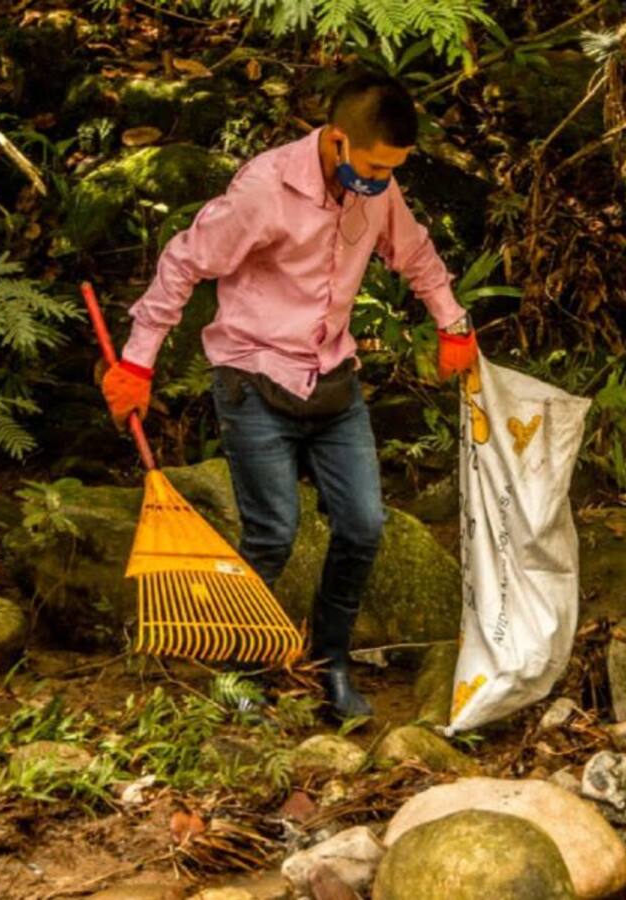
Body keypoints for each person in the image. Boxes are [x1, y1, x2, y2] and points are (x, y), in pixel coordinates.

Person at [99, 71, 479, 718]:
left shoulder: (378, 191)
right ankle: (240, 669)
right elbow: (185, 261)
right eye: (375, 165)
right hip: (253, 379)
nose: (383, 179)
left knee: (363, 526)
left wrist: (453, 323)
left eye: (394, 169)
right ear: (336, 142)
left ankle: (331, 666)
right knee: (273, 531)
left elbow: (414, 253)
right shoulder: (263, 190)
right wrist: (137, 362)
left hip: (332, 380)